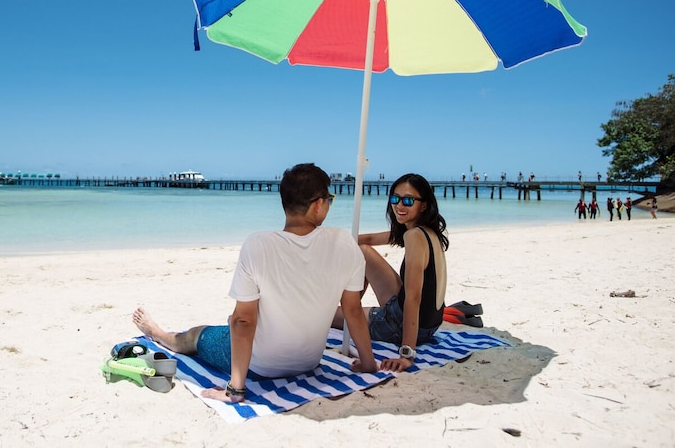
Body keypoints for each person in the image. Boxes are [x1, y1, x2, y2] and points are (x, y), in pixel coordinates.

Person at [132, 163, 378, 404]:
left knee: (197, 335)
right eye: (329, 199)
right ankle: (167, 331)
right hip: (308, 362)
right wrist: (368, 363)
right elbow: (353, 310)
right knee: (236, 320)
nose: (329, 205)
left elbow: (244, 321)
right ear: (317, 205)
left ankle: (157, 333)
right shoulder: (345, 244)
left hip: (261, 366)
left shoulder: (259, 246)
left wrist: (236, 390)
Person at [331, 173, 447, 373]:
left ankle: (353, 313)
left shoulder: (414, 236)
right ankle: (354, 309)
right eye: (395, 198)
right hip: (431, 324)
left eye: (408, 200)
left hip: (405, 325)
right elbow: (366, 239)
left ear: (424, 205)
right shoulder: (425, 231)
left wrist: (406, 355)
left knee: (328, 315)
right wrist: (327, 240)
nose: (399, 206)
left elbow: (414, 298)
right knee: (363, 250)